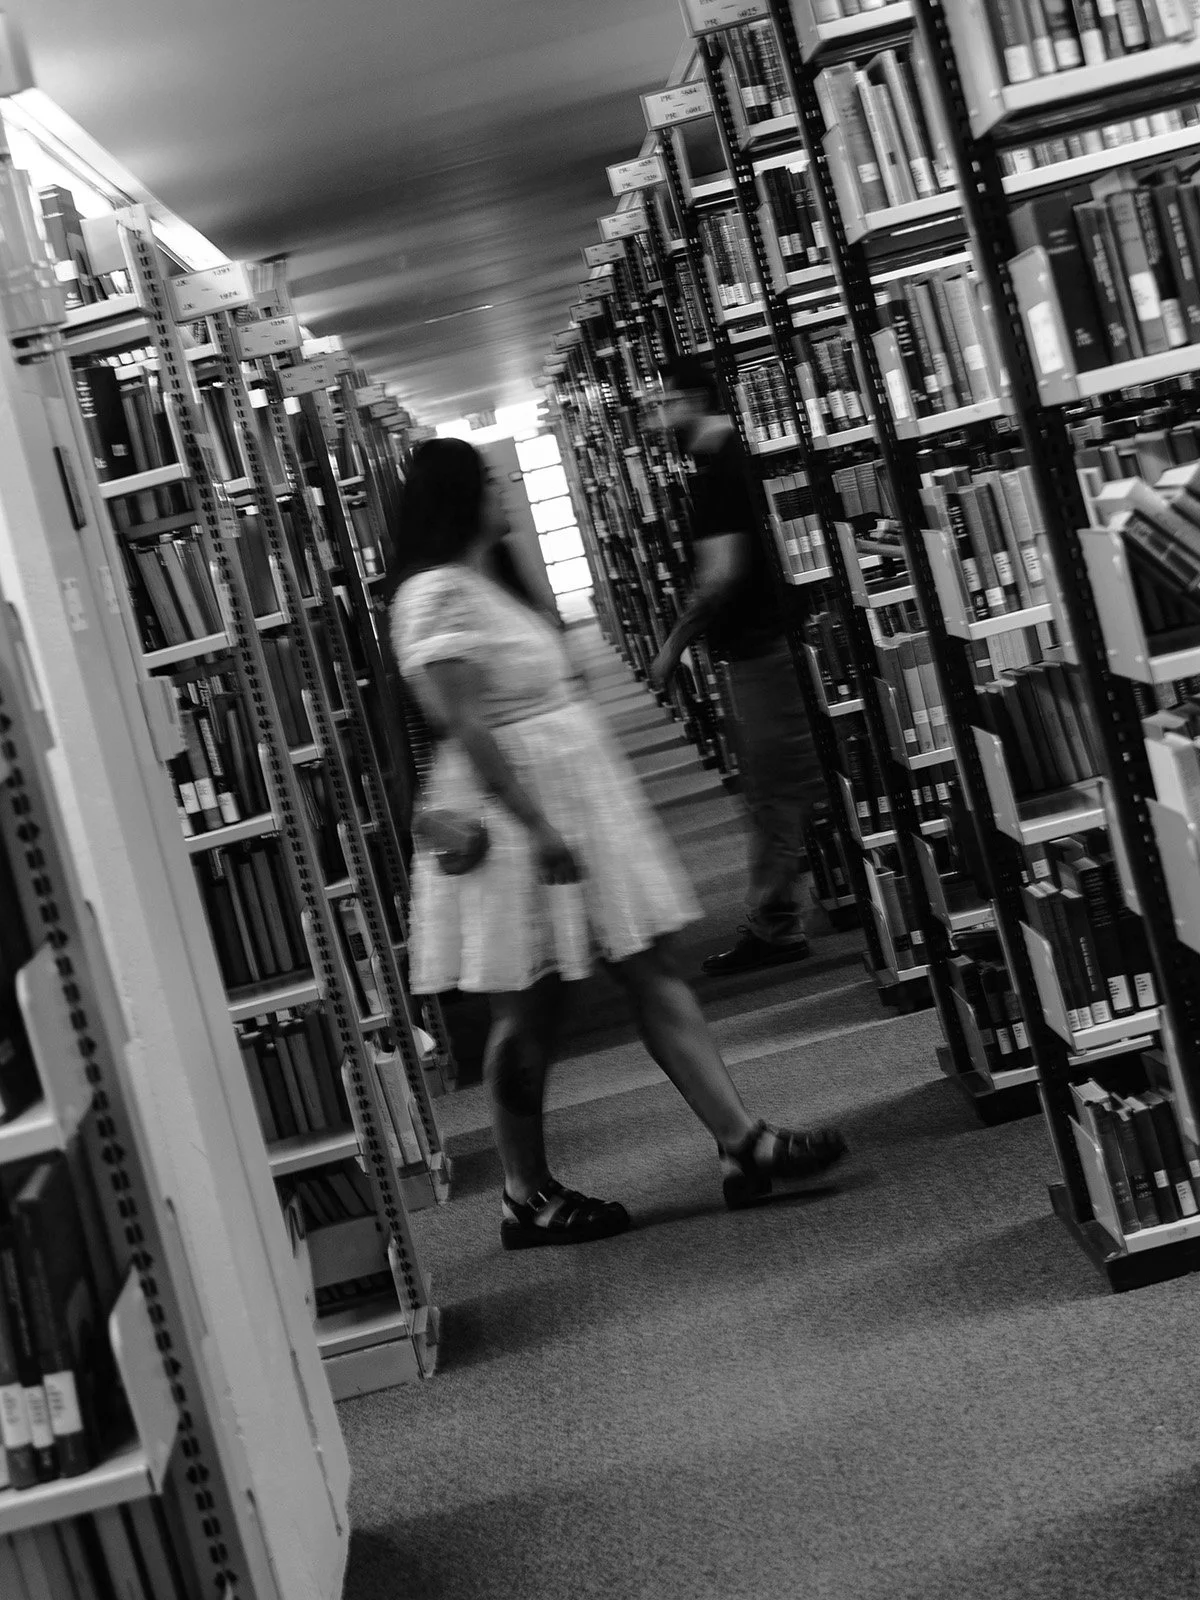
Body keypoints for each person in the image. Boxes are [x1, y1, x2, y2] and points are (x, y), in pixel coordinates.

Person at [389, 437, 846, 1250]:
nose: (502, 492)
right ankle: (525, 1196)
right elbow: (464, 724)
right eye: (489, 481)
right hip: (521, 817)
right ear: (457, 496)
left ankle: (742, 1141)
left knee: (649, 964)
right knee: (529, 1006)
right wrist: (537, 826)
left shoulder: (487, 581)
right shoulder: (434, 595)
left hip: (578, 798)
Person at [647, 356, 823, 977]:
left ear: (695, 402)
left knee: (774, 792)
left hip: (761, 652)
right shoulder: (727, 463)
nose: (655, 418)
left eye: (664, 403)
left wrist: (672, 645)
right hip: (768, 644)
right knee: (782, 788)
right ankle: (783, 913)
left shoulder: (719, 472)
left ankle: (776, 925)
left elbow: (720, 578)